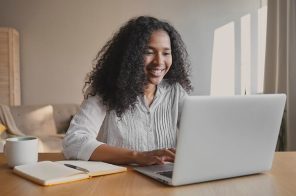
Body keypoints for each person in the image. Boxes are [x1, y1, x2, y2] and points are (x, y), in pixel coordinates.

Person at [63, 16, 192, 166]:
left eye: (166, 53)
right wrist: (138, 156)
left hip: (164, 182)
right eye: (149, 52)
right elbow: (74, 142)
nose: (159, 61)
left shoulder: (176, 92)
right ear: (131, 56)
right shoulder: (105, 90)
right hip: (117, 182)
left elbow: (200, 136)